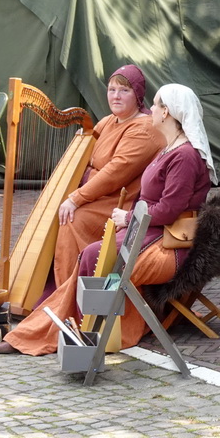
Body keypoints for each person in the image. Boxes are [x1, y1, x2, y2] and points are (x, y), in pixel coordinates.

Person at [0, 83, 217, 356]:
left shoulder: (185, 157)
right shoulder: (169, 149)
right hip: (150, 232)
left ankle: (67, 331)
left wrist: (129, 216)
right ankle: (66, 328)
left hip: (170, 245)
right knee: (92, 255)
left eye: (155, 104)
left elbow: (169, 209)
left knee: (94, 255)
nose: (151, 109)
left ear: (167, 112)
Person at [51, 64, 164, 287]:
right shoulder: (107, 122)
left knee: (73, 218)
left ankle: (70, 291)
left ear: (138, 94)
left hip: (119, 201)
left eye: (124, 90)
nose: (116, 96)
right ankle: (66, 285)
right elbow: (87, 157)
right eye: (111, 90)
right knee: (62, 211)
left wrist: (76, 198)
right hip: (100, 196)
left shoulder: (144, 129)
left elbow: (114, 174)